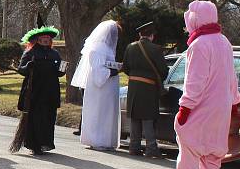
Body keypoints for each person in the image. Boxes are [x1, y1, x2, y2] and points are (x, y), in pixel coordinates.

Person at [158, 0, 240, 169]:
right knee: (212, 161)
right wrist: (233, 102)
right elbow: (231, 77)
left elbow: (195, 82)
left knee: (188, 160)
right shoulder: (224, 42)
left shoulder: (199, 45)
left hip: (200, 111)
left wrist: (185, 108)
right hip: (221, 112)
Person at [11, 20, 66, 155]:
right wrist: (28, 66)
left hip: (50, 91)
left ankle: (46, 142)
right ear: (37, 39)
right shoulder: (30, 52)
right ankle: (34, 144)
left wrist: (63, 68)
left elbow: (60, 71)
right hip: (34, 91)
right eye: (43, 37)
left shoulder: (55, 54)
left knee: (48, 117)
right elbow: (21, 70)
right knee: (35, 118)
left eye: (48, 37)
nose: (46, 39)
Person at [71, 20, 121, 151]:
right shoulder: (98, 49)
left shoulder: (107, 49)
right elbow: (98, 71)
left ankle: (105, 140)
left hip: (107, 89)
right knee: (99, 113)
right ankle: (97, 139)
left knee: (105, 113)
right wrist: (112, 71)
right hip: (100, 89)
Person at [122, 22, 168, 158]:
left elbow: (125, 68)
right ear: (152, 36)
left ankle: (134, 147)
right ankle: (151, 148)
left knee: (135, 118)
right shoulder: (156, 49)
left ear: (140, 35)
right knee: (148, 118)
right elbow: (163, 71)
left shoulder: (130, 47)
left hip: (133, 87)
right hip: (148, 88)